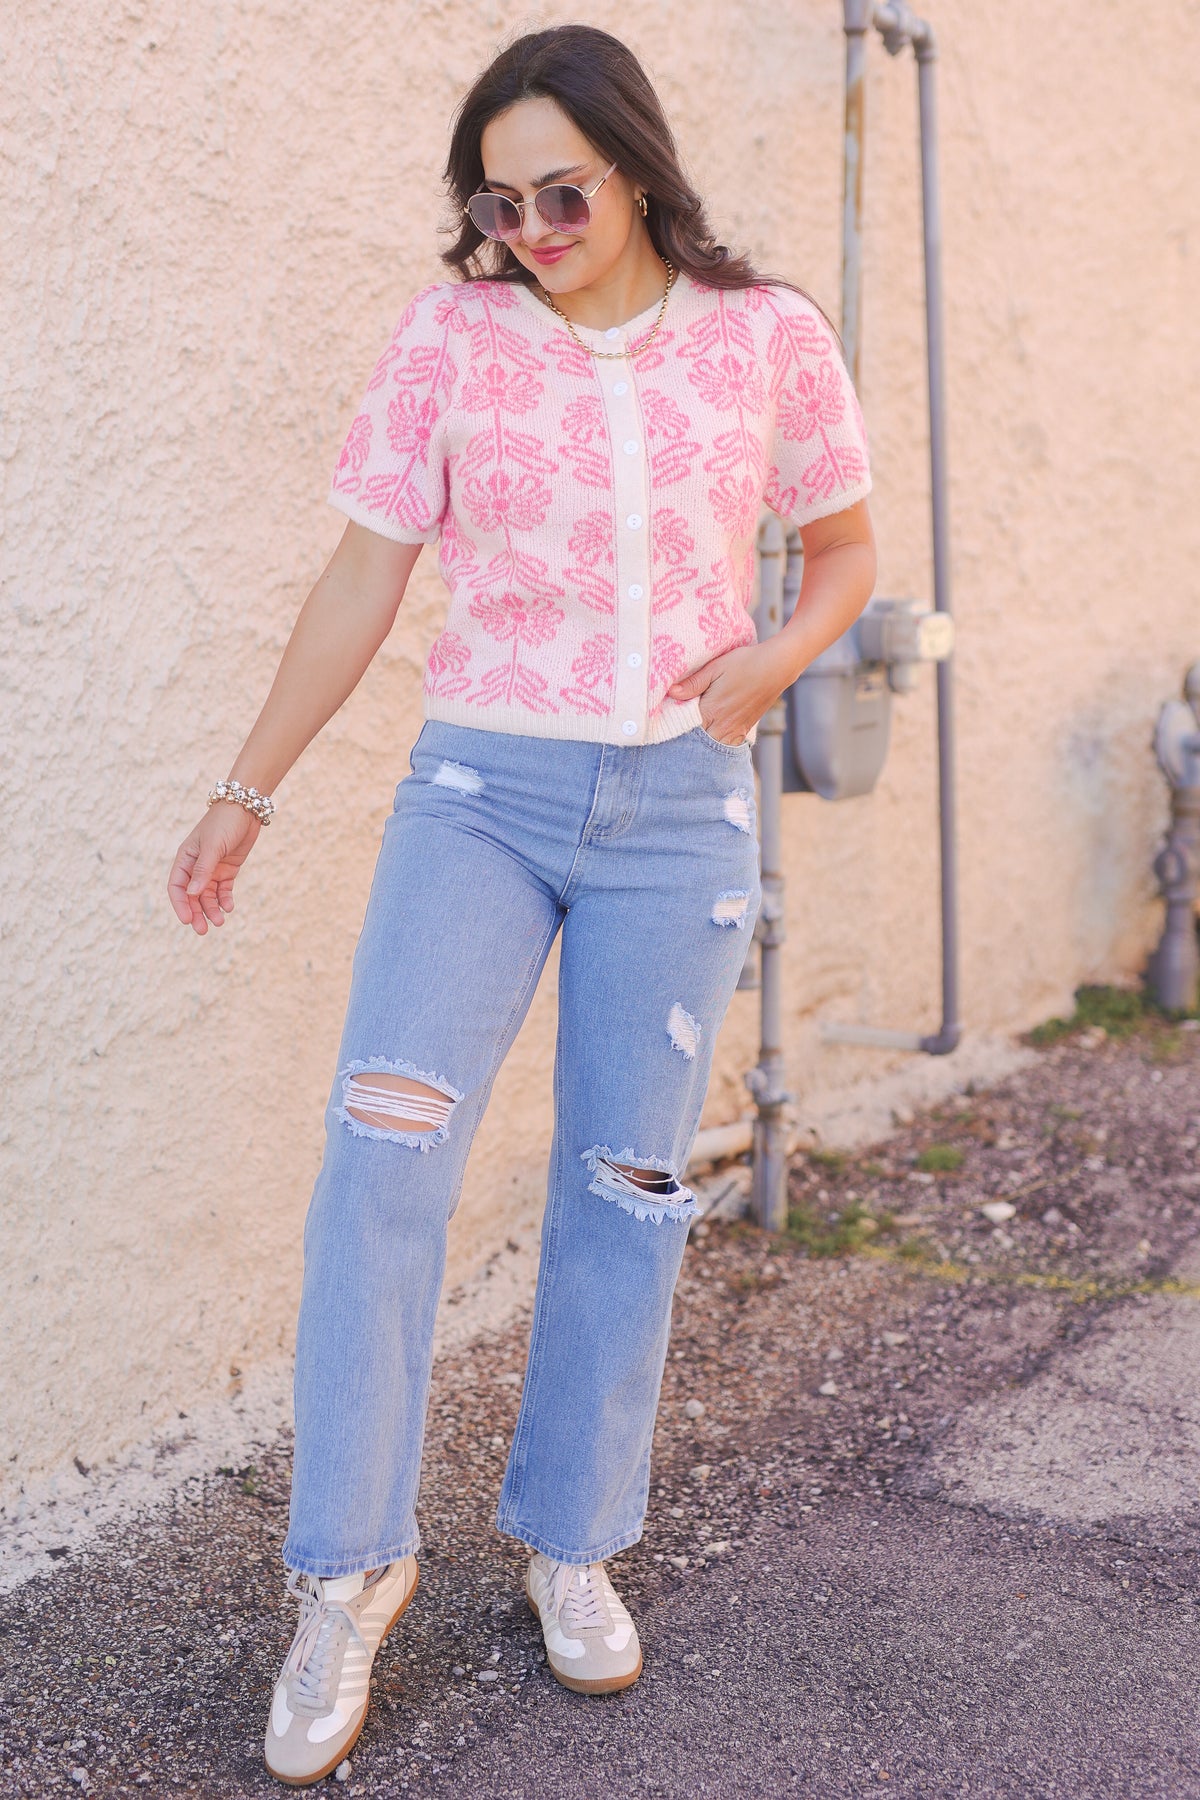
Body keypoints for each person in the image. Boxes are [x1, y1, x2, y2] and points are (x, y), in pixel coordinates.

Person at [168, 22, 875, 1787]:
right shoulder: (453, 341)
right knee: (382, 1159)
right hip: (479, 797)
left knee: (627, 1188)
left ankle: (572, 1539)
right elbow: (361, 574)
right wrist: (242, 791)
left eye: (566, 186)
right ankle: (348, 1570)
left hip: (679, 817)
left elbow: (850, 546)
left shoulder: (767, 337)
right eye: (503, 197)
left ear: (635, 164)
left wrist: (761, 671)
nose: (537, 222)